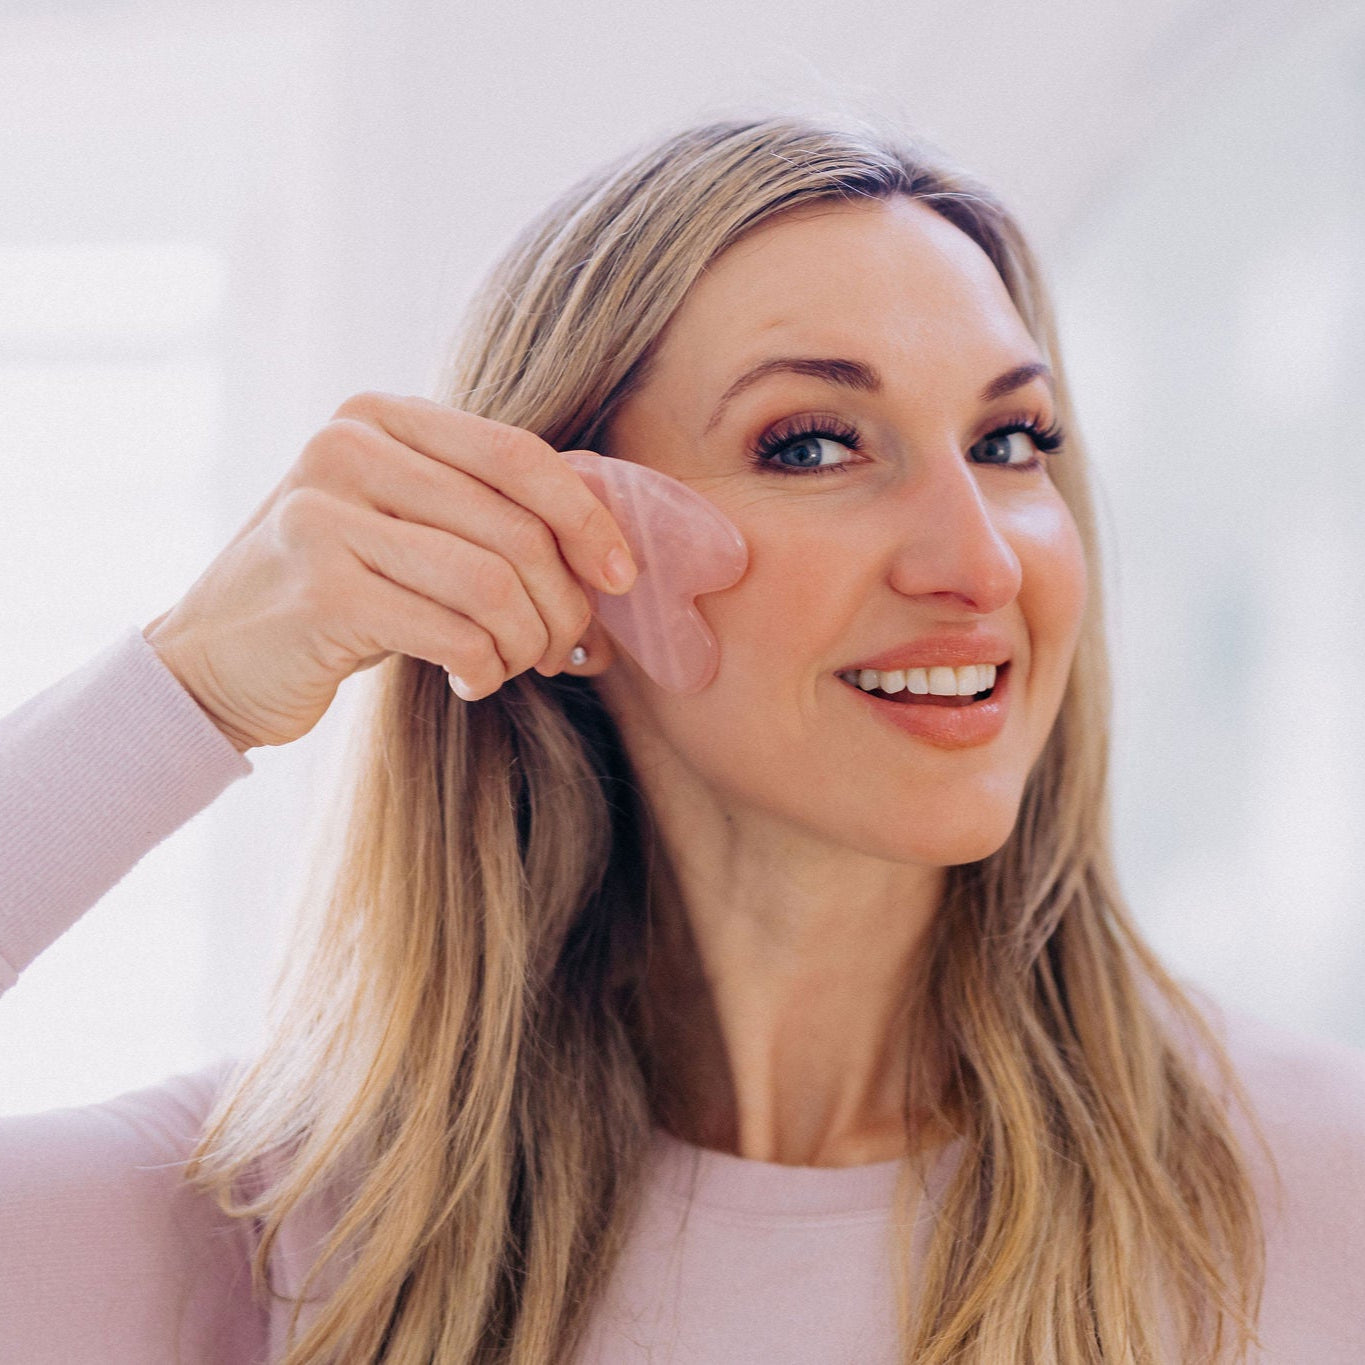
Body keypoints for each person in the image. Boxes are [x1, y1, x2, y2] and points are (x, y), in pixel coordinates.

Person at [2, 113, 1363, 1365]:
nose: (979, 562)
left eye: (1011, 441)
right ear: (557, 549)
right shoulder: (254, 1234)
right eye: (814, 445)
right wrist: (186, 689)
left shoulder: (1312, 1188)